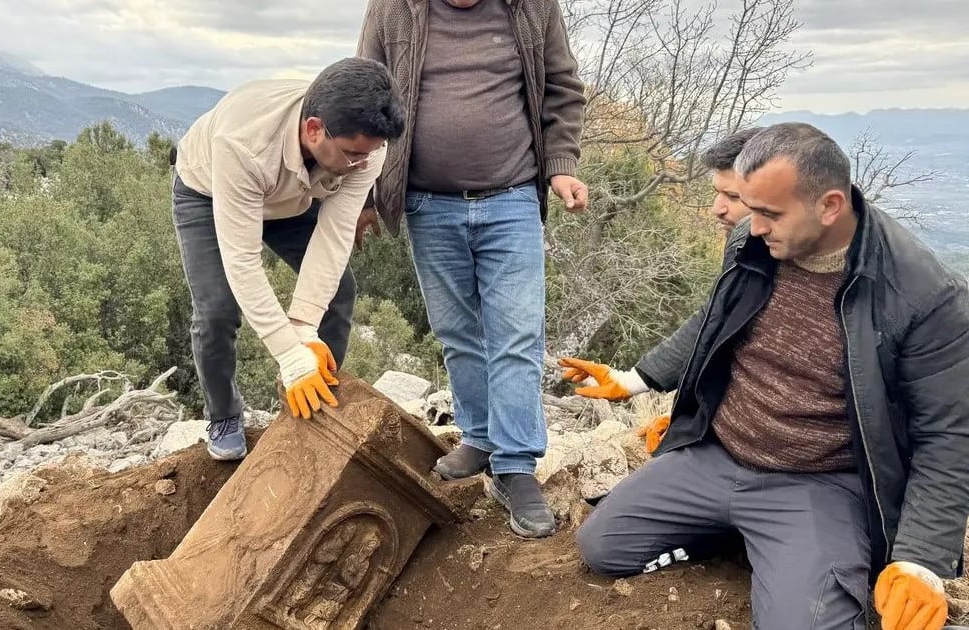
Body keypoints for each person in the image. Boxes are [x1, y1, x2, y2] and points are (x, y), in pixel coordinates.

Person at [567, 122, 969, 630]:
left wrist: (920, 563)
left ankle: (803, 561)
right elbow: (714, 319)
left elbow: (948, 436)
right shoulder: (755, 240)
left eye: (769, 213)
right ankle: (754, 540)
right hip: (717, 454)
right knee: (603, 548)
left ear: (828, 206)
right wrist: (635, 380)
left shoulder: (924, 296)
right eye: (749, 208)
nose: (751, 226)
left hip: (817, 483)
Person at [356, 0, 589, 540]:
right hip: (426, 203)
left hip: (511, 198)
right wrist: (365, 195)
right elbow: (368, 95)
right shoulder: (393, 9)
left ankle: (515, 466)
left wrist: (561, 167)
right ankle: (480, 437)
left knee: (515, 334)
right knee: (458, 331)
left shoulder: (532, 8)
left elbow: (562, 88)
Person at [172, 57, 405, 460]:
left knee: (338, 292)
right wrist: (288, 355)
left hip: (292, 198)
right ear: (314, 130)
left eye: (370, 154)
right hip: (210, 191)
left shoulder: (366, 149)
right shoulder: (243, 142)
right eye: (352, 155)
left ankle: (316, 404)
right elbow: (242, 261)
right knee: (216, 311)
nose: (361, 164)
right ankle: (224, 416)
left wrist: (304, 332)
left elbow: (333, 238)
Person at [559, 127, 765, 451]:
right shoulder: (748, 246)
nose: (717, 208)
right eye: (718, 193)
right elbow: (713, 318)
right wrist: (630, 381)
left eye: (734, 198)